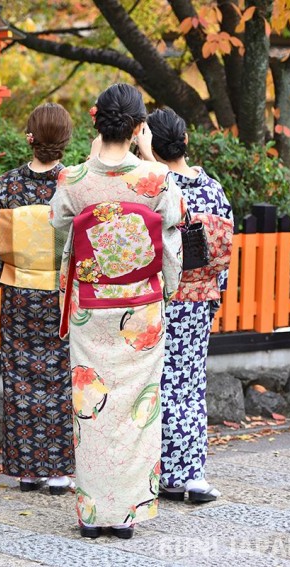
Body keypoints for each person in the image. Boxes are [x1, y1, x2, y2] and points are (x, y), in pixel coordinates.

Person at [50, 84, 185, 539]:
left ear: (97, 122)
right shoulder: (156, 180)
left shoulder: (71, 179)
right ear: (137, 127)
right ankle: (124, 514)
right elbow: (170, 247)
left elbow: (59, 231)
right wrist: (169, 288)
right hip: (141, 309)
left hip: (91, 307)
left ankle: (91, 514)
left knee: (91, 407)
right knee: (135, 411)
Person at [0, 103, 75, 496]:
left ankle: (28, 470)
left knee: (21, 377)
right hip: (63, 296)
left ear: (30, 137)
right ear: (65, 141)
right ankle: (61, 470)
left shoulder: (8, 186)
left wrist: (0, 266)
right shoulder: (74, 185)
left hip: (19, 296)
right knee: (61, 377)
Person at [146, 107, 233, 504]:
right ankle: (192, 471)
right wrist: (215, 290)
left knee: (163, 382)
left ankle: (168, 471)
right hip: (202, 296)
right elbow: (223, 249)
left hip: (166, 295)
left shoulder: (159, 187)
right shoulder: (212, 187)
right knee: (191, 381)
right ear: (185, 142)